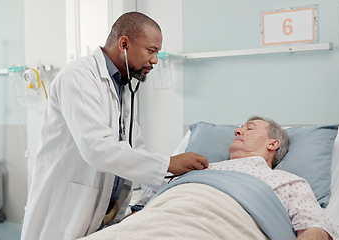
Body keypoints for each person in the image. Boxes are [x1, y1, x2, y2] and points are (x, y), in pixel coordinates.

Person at [20, 12, 208, 240]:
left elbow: (134, 148)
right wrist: (169, 164)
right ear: (124, 44)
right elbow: (97, 149)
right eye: (151, 50)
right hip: (65, 212)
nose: (156, 60)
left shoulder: (123, 84)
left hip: (103, 214)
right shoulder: (79, 76)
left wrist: (164, 184)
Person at [82, 116, 339, 240]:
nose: (238, 130)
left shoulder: (287, 181)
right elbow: (143, 211)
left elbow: (314, 230)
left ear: (273, 143)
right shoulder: (193, 172)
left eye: (249, 128)